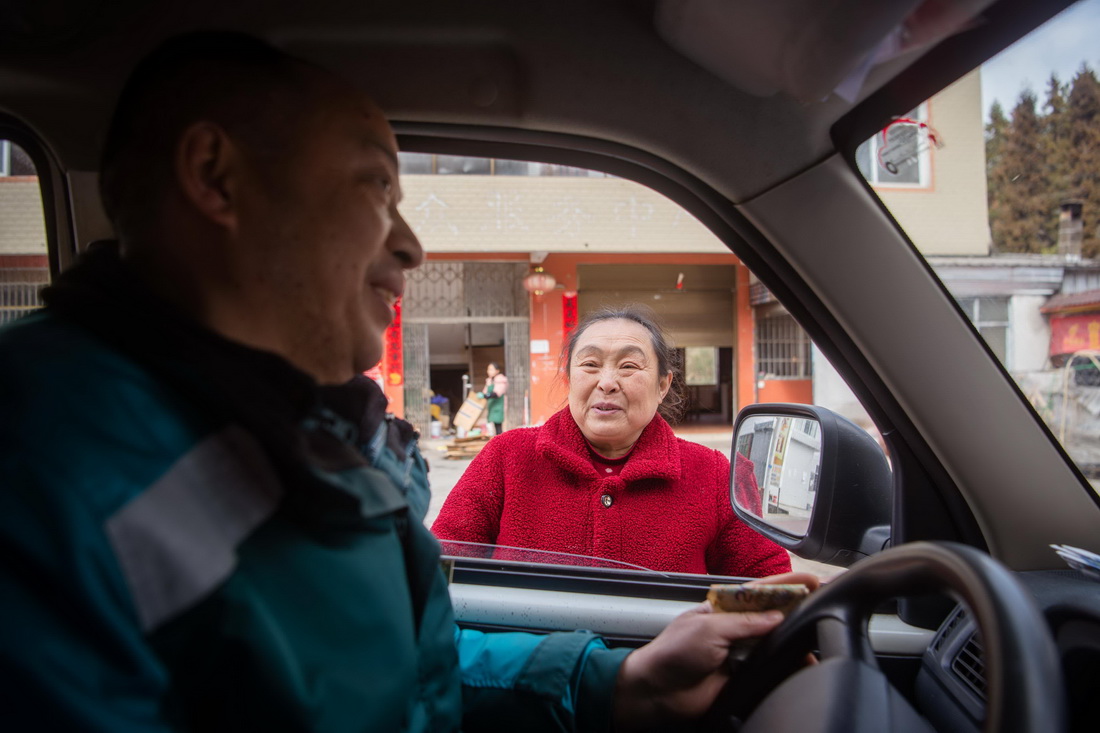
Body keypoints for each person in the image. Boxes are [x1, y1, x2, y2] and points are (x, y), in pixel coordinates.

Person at [0, 33, 816, 732]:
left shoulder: (303, 431)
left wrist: (613, 682)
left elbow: (395, 660)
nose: (411, 246)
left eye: (628, 363)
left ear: (666, 381)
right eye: (378, 188)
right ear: (216, 175)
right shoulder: (41, 460)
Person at [433, 306, 792, 577]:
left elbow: (765, 584)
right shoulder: (506, 456)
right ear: (569, 377)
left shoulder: (714, 474)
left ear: (663, 384)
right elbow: (440, 569)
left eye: (629, 367)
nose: (607, 381)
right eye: (590, 364)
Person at [478, 361, 508, 435]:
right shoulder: (489, 381)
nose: (489, 371)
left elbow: (496, 394)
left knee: (498, 425)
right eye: (488, 369)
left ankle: (500, 443)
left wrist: (485, 396)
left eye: (491, 369)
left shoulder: (501, 380)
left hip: (498, 406)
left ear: (497, 371)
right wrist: (482, 395)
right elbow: (485, 392)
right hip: (492, 406)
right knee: (492, 426)